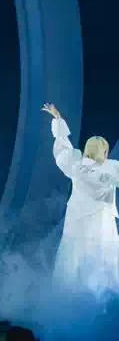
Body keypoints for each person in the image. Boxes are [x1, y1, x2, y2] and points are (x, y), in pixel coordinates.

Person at [42, 103, 118, 300]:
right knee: (102, 254)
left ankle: (69, 297)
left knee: (74, 255)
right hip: (101, 221)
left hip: (77, 218)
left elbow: (62, 149)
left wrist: (58, 119)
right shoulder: (111, 168)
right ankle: (101, 298)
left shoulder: (76, 164)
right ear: (105, 151)